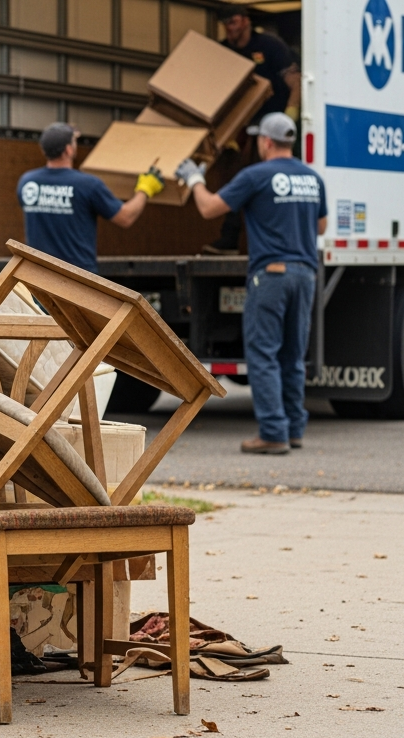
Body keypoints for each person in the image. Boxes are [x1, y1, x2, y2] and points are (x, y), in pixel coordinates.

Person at [177, 113, 327, 455]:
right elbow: (321, 226)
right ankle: (293, 429)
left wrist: (194, 179)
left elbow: (210, 209)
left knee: (263, 354)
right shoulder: (312, 178)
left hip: (271, 275)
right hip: (305, 274)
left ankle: (273, 432)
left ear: (267, 142)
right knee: (292, 355)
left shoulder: (256, 176)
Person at [204, 8, 302, 255]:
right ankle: (230, 238)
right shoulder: (223, 51)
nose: (230, 27)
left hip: (274, 127)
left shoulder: (270, 46)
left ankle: (277, 240)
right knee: (237, 177)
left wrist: (288, 120)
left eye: (234, 21)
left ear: (246, 22)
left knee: (265, 181)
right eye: (226, 23)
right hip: (241, 127)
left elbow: (296, 83)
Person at [17, 122, 162, 273]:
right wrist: (145, 189)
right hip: (79, 278)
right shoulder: (87, 185)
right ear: (68, 149)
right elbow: (125, 217)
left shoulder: (27, 182)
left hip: (39, 276)